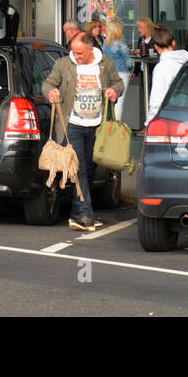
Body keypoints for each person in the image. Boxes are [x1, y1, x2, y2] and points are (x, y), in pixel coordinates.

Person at [43, 32, 123, 233]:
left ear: (90, 49)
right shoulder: (64, 64)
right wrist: (51, 92)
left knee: (90, 168)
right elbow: (48, 83)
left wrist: (114, 91)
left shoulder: (105, 63)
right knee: (78, 168)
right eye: (73, 52)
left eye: (79, 53)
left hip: (97, 125)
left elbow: (118, 83)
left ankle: (76, 214)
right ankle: (86, 214)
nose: (75, 56)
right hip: (72, 125)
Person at [147, 24, 188, 119]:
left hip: (168, 118)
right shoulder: (186, 63)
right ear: (173, 43)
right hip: (186, 115)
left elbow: (157, 100)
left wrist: (151, 122)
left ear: (156, 46)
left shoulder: (162, 67)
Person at [103, 18, 133, 120]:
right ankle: (116, 124)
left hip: (108, 73)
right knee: (119, 100)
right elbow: (128, 61)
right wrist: (131, 70)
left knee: (110, 99)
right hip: (121, 72)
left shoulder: (105, 44)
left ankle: (108, 122)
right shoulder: (121, 43)